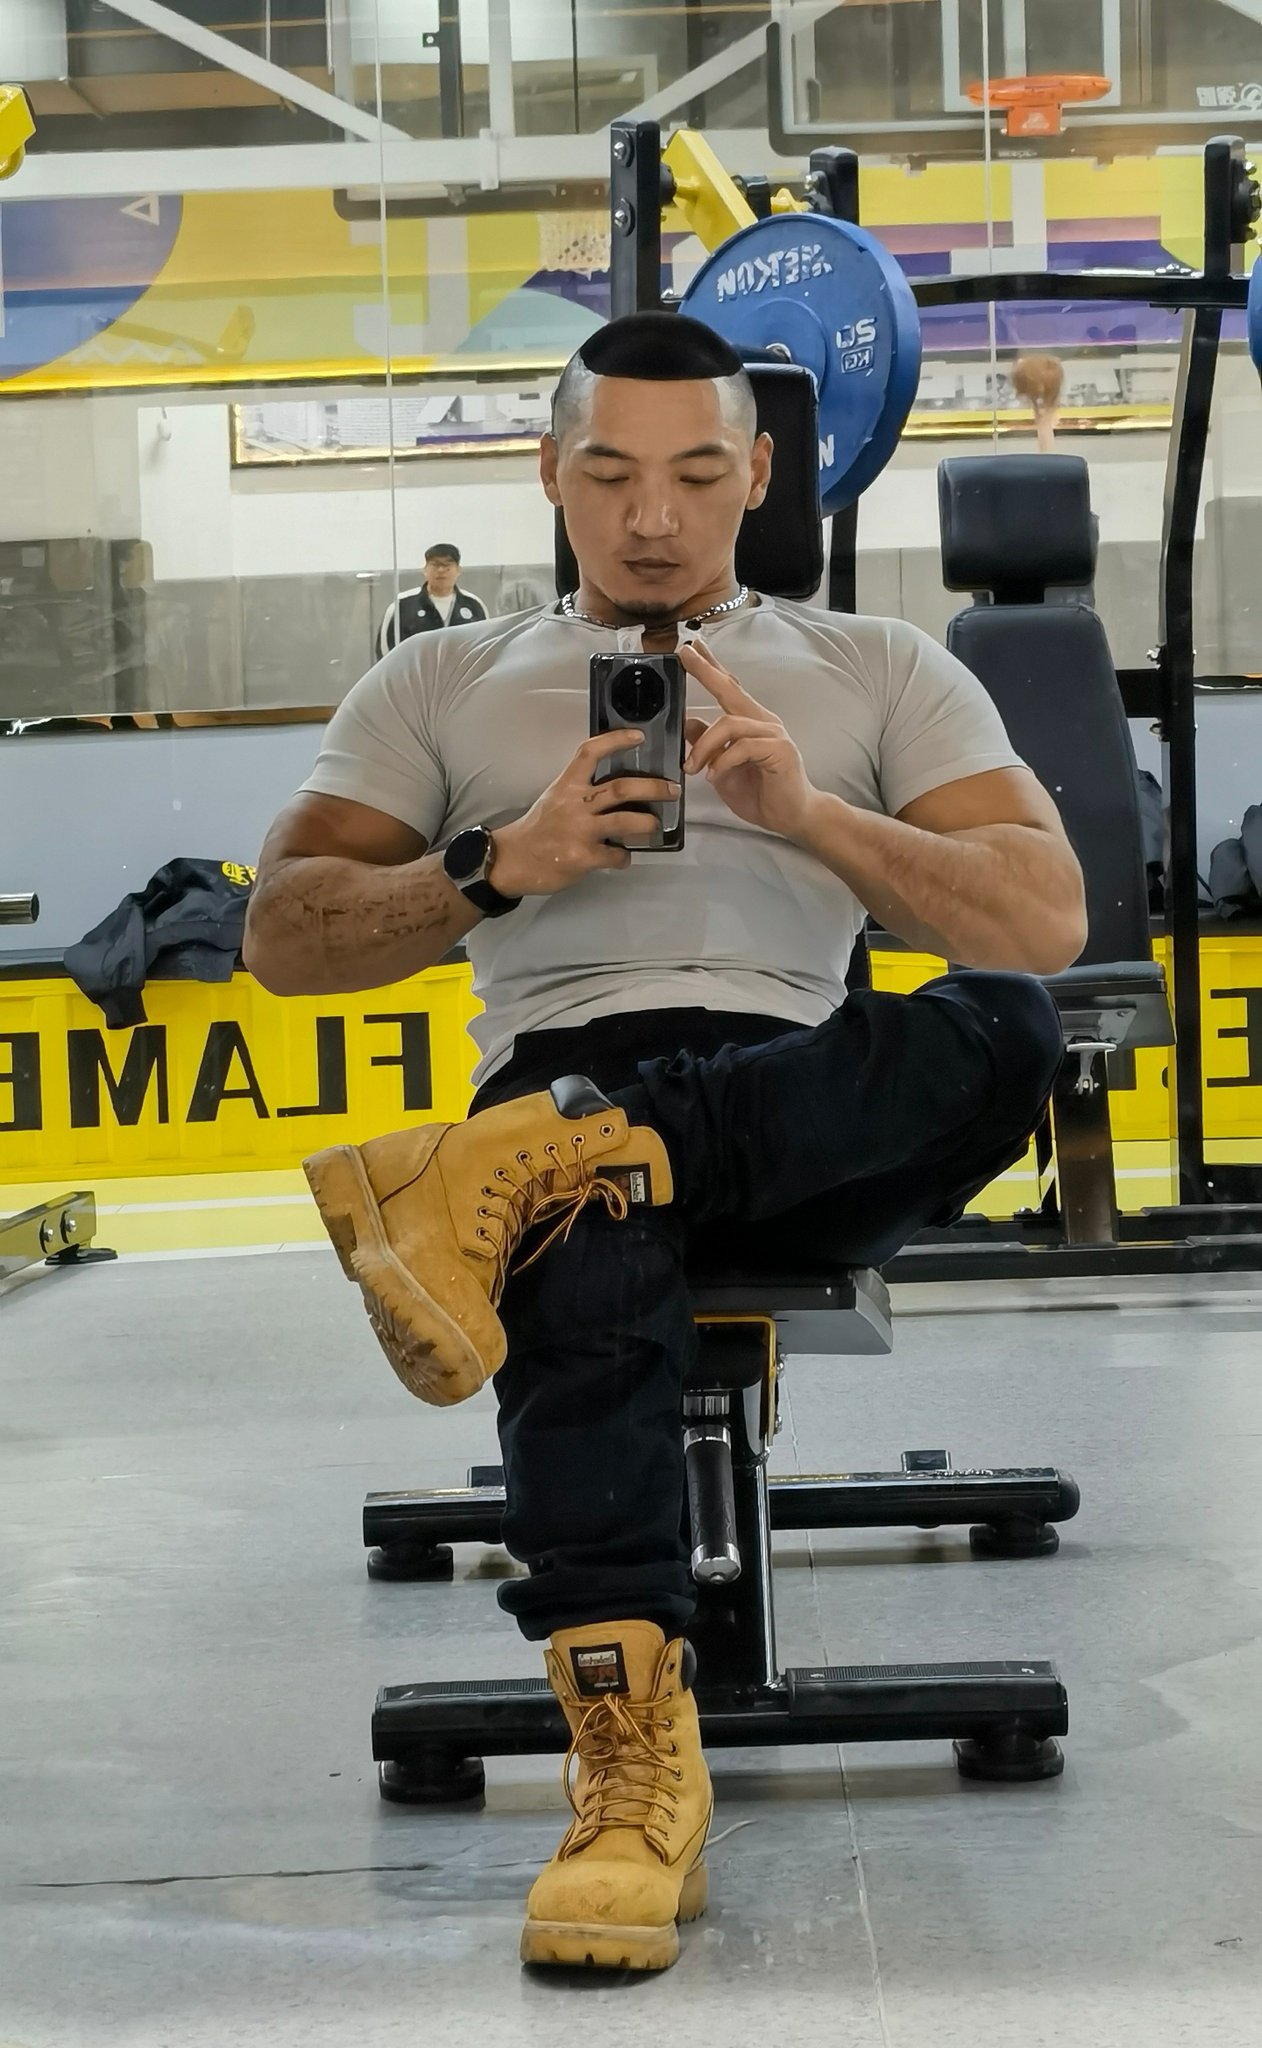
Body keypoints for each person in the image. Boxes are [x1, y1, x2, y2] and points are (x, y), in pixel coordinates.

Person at [244, 312, 1086, 1977]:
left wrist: (812, 815)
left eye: (697, 476)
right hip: (562, 1059)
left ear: (758, 475)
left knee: (1002, 1025)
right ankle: (629, 1770)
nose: (651, 517)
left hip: (800, 1092)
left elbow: (1042, 917)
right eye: (610, 474)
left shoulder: (874, 665)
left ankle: (531, 1169)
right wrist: (497, 862)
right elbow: (281, 933)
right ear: (548, 472)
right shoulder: (438, 680)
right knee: (588, 1223)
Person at [375, 542, 487, 656]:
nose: (441, 570)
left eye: (447, 565)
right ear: (425, 570)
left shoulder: (474, 605)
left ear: (458, 570)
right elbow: (385, 650)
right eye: (435, 564)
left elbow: (485, 645)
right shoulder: (402, 604)